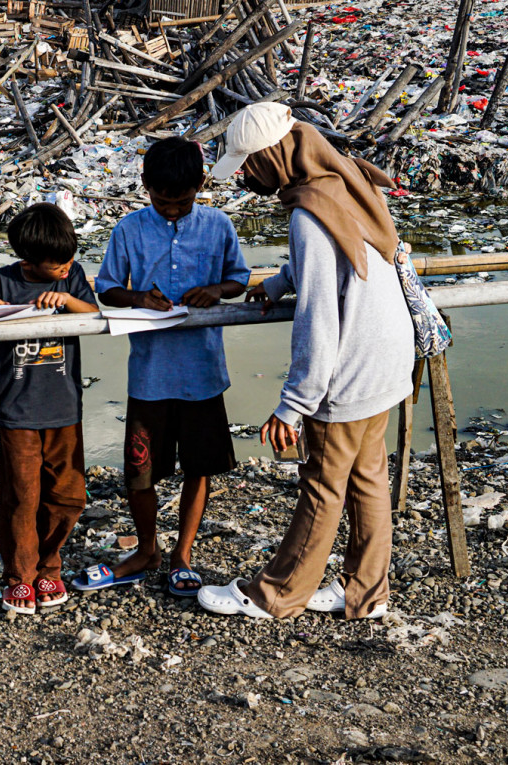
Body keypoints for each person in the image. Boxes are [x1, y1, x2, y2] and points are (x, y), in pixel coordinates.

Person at [197, 103, 413, 620]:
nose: (245, 174)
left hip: (351, 368)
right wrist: (278, 283)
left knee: (321, 484)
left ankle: (276, 595)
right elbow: (336, 261)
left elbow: (319, 320)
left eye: (248, 164)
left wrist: (293, 405)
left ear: (274, 156)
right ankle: (366, 594)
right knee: (368, 480)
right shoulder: (345, 181)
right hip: (387, 358)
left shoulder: (307, 217)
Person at [86, 137, 250, 598]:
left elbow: (238, 279)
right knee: (140, 471)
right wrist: (139, 298)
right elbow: (108, 287)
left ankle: (183, 554)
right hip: (150, 374)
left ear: (200, 186)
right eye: (163, 202)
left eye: (182, 202)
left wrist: (215, 290)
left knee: (200, 468)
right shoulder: (129, 229)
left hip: (202, 372)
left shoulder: (218, 226)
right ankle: (147, 548)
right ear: (145, 188)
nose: (173, 210)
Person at [0, 202, 99, 615]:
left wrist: (66, 298)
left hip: (65, 408)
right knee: (20, 497)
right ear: (28, 260)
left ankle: (51, 566)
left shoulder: (73, 277)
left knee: (67, 495)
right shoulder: (1, 281)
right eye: (56, 265)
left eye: (69, 260)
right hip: (18, 411)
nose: (65, 267)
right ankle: (20, 576)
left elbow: (95, 314)